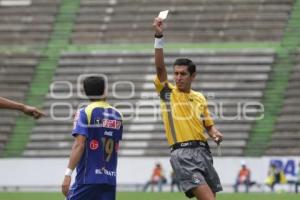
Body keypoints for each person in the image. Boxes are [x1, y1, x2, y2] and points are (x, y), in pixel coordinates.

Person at [152, 17, 223, 200]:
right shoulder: (168, 93)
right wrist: (158, 37)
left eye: (183, 74)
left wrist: (215, 133)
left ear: (193, 76)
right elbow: (160, 68)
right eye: (176, 73)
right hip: (183, 154)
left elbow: (208, 125)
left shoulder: (199, 97)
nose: (178, 77)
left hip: (203, 152)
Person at [61, 76, 123, 200]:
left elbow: (79, 145)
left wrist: (68, 174)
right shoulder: (118, 114)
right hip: (109, 180)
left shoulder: (84, 112)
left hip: (88, 178)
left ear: (85, 92)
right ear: (105, 90)